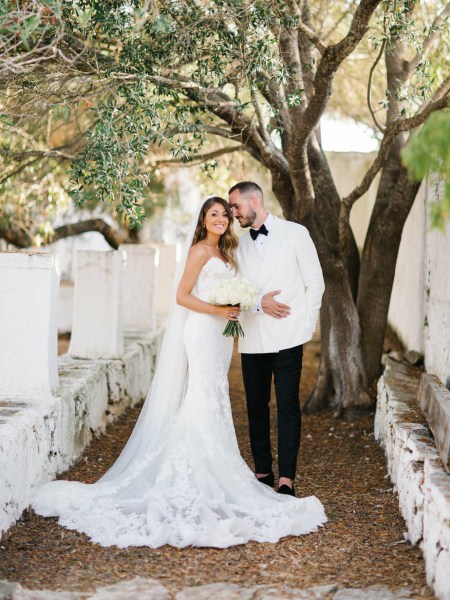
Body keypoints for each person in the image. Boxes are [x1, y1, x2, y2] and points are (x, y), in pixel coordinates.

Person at [31, 197, 326, 548]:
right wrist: (219, 309)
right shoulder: (201, 250)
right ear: (202, 220)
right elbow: (182, 296)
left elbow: (248, 289)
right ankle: (194, 473)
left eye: (225, 213)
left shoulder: (230, 251)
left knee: (214, 396)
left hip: (221, 337)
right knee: (202, 396)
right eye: (214, 213)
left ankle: (218, 468)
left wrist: (241, 305)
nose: (222, 218)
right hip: (203, 331)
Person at [228, 182, 325, 497]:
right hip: (253, 338)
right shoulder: (238, 246)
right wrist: (259, 303)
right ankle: (262, 470)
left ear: (254, 200)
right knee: (256, 405)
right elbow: (234, 291)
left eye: (236, 207)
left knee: (287, 405)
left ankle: (287, 478)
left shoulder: (296, 234)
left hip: (288, 337)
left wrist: (305, 327)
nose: (233, 213)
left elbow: (315, 283)